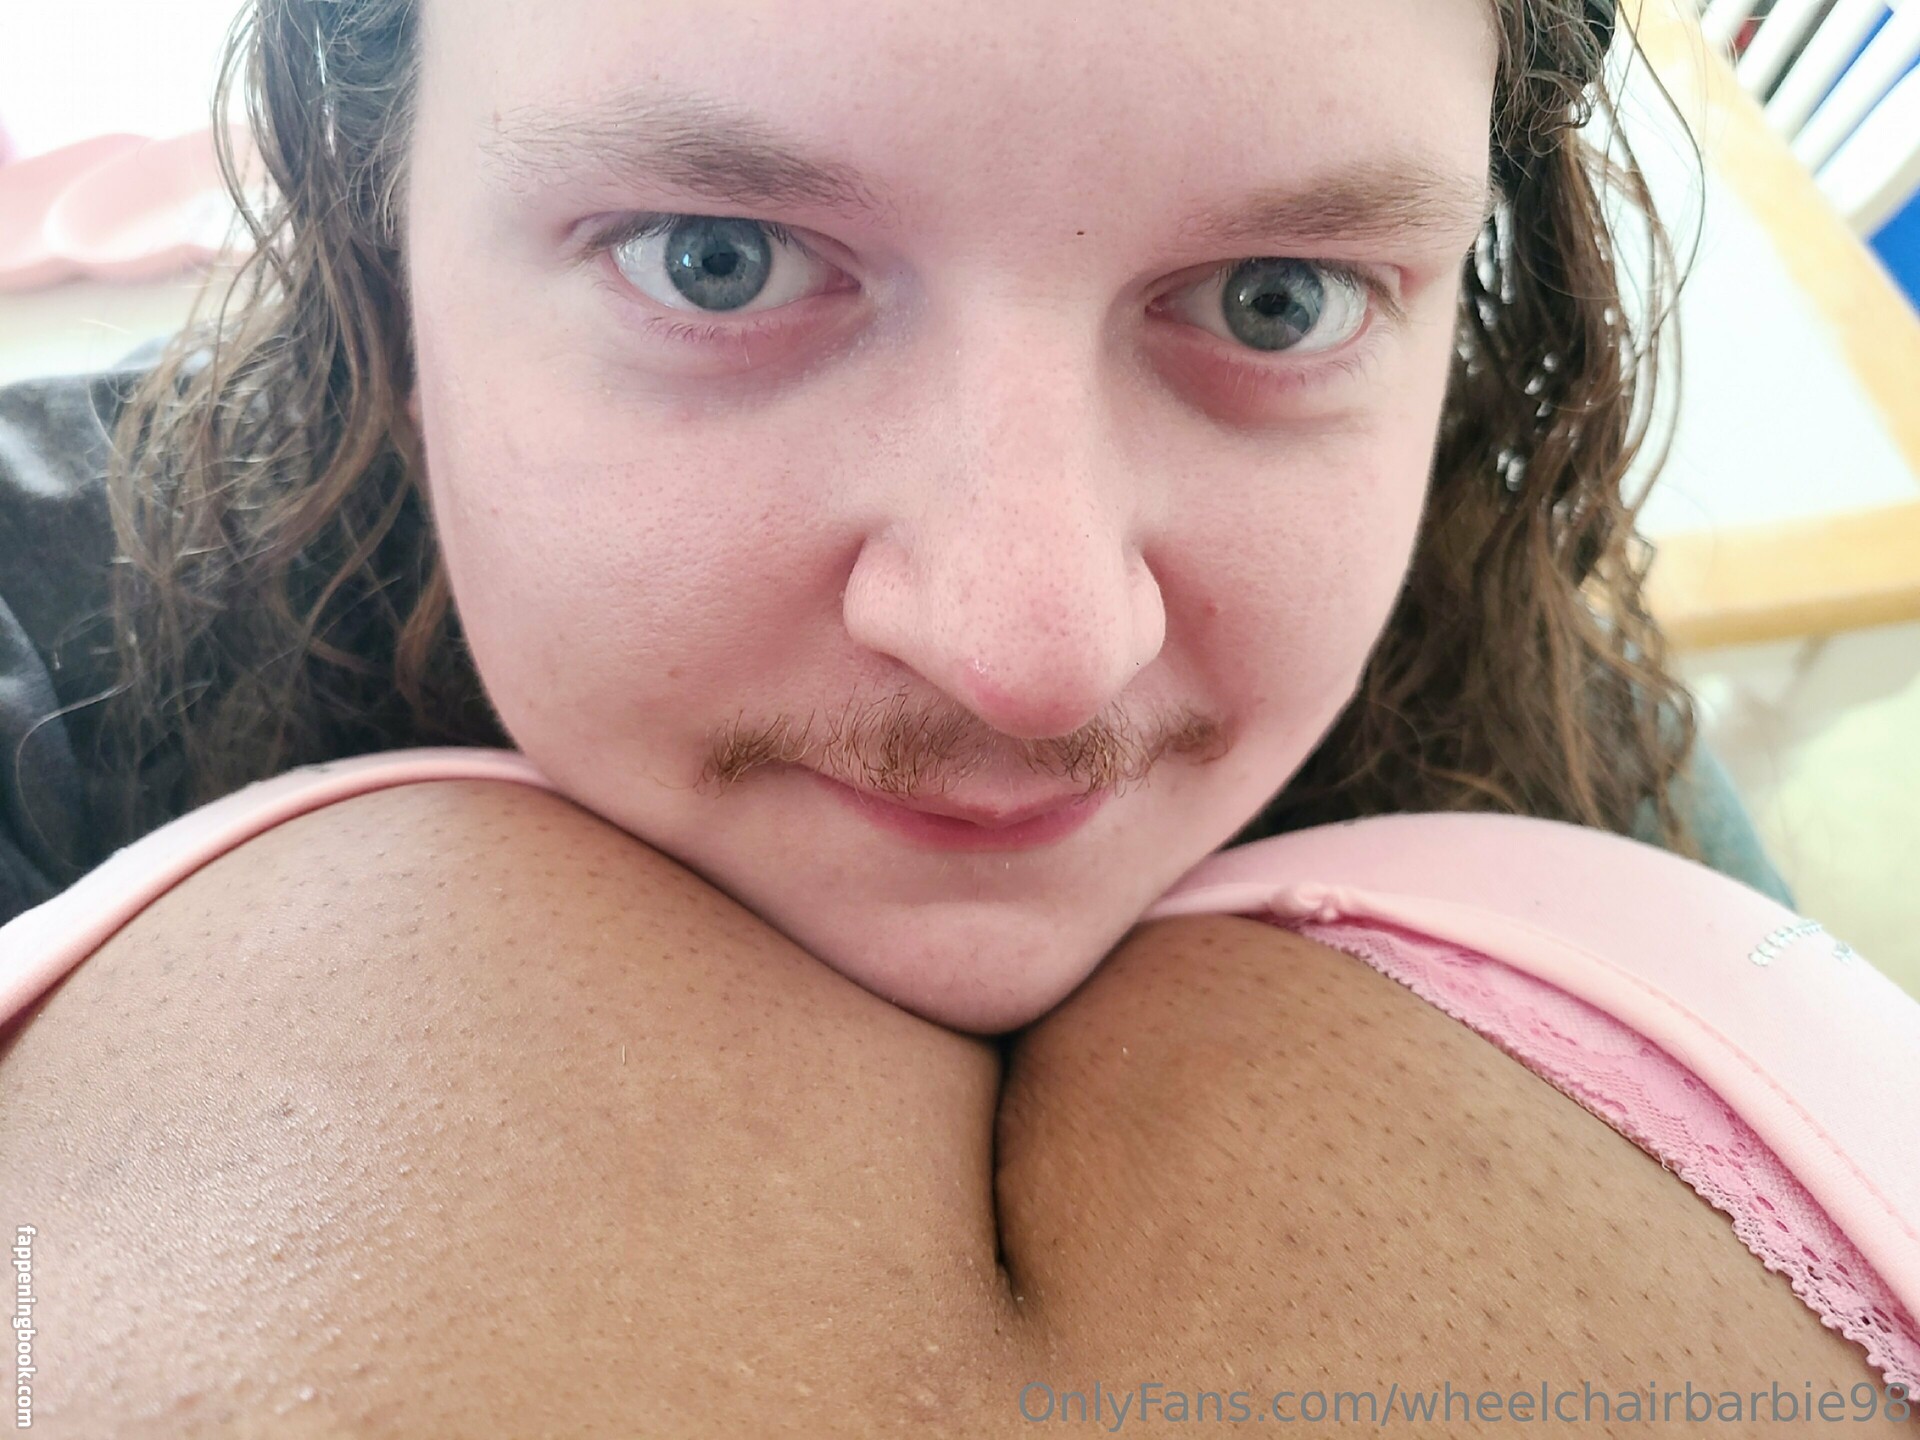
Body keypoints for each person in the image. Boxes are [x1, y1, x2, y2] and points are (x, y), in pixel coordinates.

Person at [0, 0, 1915, 1433]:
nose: (1037, 650)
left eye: (1277, 299)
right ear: (372, 239)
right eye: (717, 261)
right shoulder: (50, 660)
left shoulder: (1548, 708)